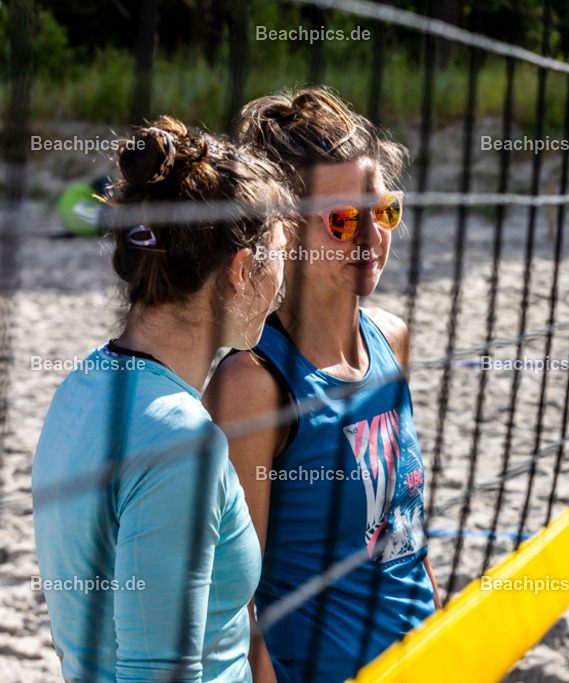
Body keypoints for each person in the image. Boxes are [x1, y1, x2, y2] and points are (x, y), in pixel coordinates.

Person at [32, 117, 296, 681]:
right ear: (241, 271)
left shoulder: (80, 388)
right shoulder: (181, 443)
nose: (285, 278)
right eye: (278, 255)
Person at [204, 87, 438, 683]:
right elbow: (232, 597)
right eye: (341, 221)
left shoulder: (393, 339)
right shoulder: (254, 383)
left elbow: (406, 532)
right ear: (285, 231)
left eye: (383, 210)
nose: (370, 237)